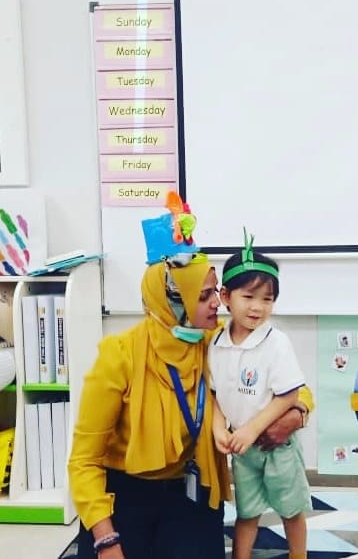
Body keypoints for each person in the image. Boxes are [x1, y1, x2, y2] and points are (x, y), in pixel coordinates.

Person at [68, 194, 313, 559]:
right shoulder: (119, 355)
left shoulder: (217, 344)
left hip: (191, 487)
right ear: (172, 301)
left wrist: (295, 415)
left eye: (215, 292)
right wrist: (105, 539)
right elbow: (83, 461)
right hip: (126, 491)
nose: (217, 303)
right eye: (203, 296)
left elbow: (297, 389)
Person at [209, 229, 311, 559]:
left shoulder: (276, 342)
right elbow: (215, 393)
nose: (258, 307)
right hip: (243, 449)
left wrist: (253, 429)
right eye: (249, 296)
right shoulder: (215, 343)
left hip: (276, 447)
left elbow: (289, 395)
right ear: (226, 296)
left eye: (267, 299)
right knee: (247, 512)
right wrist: (219, 427)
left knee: (291, 510)